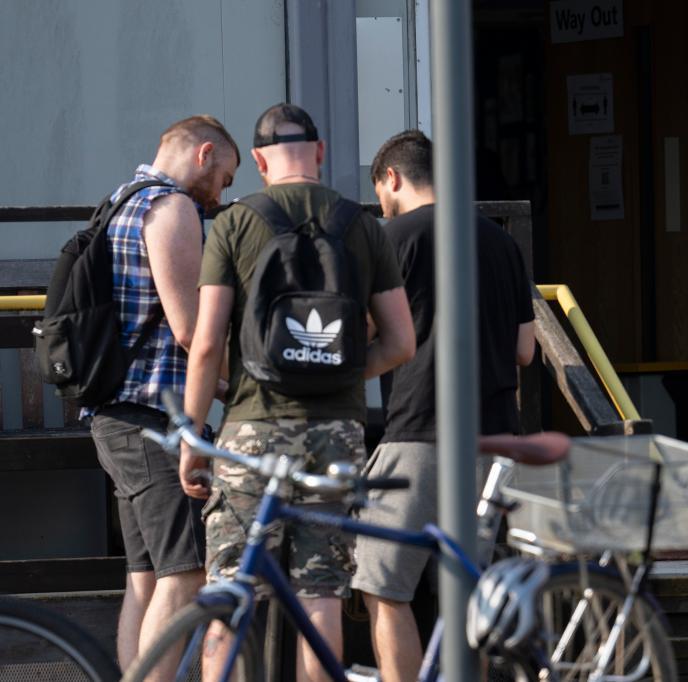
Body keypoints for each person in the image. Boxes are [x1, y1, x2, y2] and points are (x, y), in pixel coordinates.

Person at [180, 103, 415, 681]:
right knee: (321, 595)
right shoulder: (362, 225)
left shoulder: (235, 223)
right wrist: (341, 374)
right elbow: (401, 342)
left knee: (231, 592)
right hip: (336, 437)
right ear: (320, 152)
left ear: (259, 161)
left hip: (250, 431)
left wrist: (191, 438)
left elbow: (205, 345)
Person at [353, 130, 536, 681]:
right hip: (496, 439)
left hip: (420, 430)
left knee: (382, 583)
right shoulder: (500, 241)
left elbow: (365, 332)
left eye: (381, 194)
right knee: (467, 593)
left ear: (391, 178)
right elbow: (525, 350)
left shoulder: (391, 238)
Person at [87, 115, 240, 671]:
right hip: (153, 419)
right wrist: (239, 383)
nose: (221, 194)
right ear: (204, 154)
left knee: (146, 577)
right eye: (225, 178)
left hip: (117, 416)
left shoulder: (119, 202)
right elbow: (190, 329)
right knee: (186, 573)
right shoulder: (171, 208)